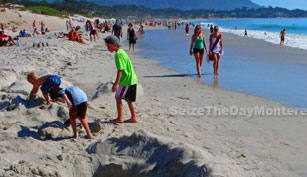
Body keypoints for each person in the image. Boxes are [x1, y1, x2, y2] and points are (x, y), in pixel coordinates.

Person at [104, 35, 138, 124]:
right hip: (132, 79)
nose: (108, 48)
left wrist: (116, 84)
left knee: (118, 97)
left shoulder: (118, 54)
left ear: (115, 44)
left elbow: (120, 70)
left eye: (108, 46)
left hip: (126, 80)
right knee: (129, 99)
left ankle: (120, 118)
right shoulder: (122, 52)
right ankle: (133, 117)